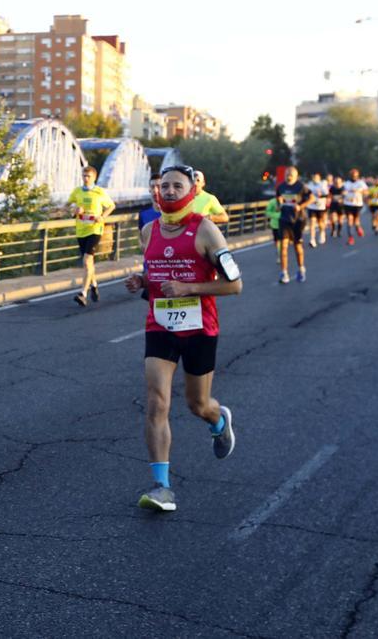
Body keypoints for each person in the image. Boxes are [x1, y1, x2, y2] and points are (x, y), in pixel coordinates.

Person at [124, 164, 242, 512]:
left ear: (192, 191)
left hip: (200, 329)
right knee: (157, 402)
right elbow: (156, 276)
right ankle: (162, 488)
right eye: (165, 186)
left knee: (196, 404)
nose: (170, 191)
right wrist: (142, 284)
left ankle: (218, 421)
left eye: (178, 186)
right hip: (159, 326)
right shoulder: (148, 231)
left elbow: (235, 284)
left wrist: (190, 286)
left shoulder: (205, 230)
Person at [67, 166, 116, 307]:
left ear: (94, 177)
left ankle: (83, 293)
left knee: (87, 260)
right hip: (81, 230)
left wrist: (102, 217)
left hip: (95, 230)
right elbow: (66, 206)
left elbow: (112, 206)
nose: (85, 178)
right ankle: (94, 284)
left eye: (88, 176)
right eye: (84, 175)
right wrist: (74, 210)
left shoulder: (99, 192)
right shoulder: (77, 191)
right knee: (87, 263)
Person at [276, 167, 312, 284]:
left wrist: (300, 206)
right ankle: (284, 272)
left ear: (296, 175)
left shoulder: (301, 186)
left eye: (291, 174)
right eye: (287, 174)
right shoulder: (280, 187)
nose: (289, 176)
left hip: (298, 220)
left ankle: (301, 269)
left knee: (297, 247)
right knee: (284, 247)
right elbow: (278, 204)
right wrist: (279, 204)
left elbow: (312, 198)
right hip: (284, 219)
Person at [341, 169, 367, 245]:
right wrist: (344, 193)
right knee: (349, 219)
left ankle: (358, 228)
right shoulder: (346, 183)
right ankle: (351, 238)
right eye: (353, 175)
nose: (354, 177)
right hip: (348, 204)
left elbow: (366, 191)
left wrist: (359, 191)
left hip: (357, 204)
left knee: (356, 221)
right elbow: (342, 192)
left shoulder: (361, 183)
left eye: (355, 176)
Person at [305, 172, 330, 247]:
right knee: (312, 222)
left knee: (320, 223)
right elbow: (306, 194)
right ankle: (312, 239)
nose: (314, 179)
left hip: (320, 206)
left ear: (319, 178)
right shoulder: (310, 185)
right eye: (313, 177)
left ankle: (322, 232)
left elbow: (327, 194)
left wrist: (321, 195)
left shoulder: (323, 184)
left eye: (316, 177)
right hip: (311, 206)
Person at [265, 195, 282, 264]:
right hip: (275, 225)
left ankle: (282, 254)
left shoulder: (287, 201)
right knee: (277, 241)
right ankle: (279, 255)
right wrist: (277, 215)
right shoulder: (272, 202)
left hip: (286, 224)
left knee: (284, 241)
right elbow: (267, 212)